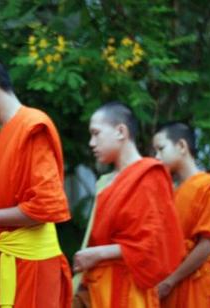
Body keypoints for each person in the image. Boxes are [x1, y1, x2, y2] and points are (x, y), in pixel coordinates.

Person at [0, 54, 72, 308]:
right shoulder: (7, 131)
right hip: (11, 262)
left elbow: (44, 206)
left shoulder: (32, 126)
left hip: (30, 265)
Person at [73, 102, 185, 307]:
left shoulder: (150, 175)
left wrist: (99, 254)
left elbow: (153, 244)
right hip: (99, 287)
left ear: (120, 131)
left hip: (131, 288)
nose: (91, 142)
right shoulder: (106, 181)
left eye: (96, 133)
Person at [153, 122, 210, 307]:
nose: (157, 157)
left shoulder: (209, 187)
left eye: (161, 149)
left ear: (181, 146)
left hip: (196, 280)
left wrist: (171, 280)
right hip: (170, 281)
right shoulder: (172, 191)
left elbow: (206, 246)